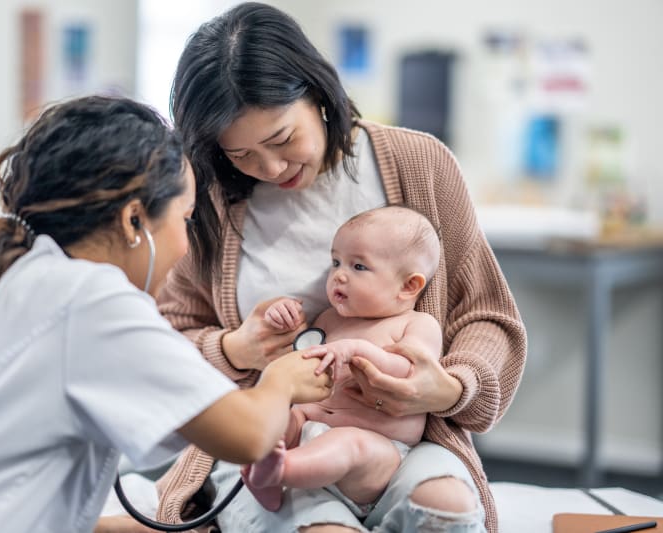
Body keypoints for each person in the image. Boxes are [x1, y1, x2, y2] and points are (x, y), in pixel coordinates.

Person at [126, 3, 528, 533]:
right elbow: (164, 338)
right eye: (240, 154)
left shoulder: (421, 165)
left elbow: (486, 314)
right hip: (273, 436)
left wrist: (449, 388)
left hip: (404, 443)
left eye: (281, 140)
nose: (269, 169)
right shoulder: (211, 199)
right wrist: (231, 350)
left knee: (445, 512)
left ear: (318, 95)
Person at [0, 95, 334, 533]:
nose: (186, 244)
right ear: (134, 221)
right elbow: (249, 435)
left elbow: (4, 474)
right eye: (186, 219)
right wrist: (283, 380)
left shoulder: (12, 279)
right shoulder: (90, 301)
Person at [243, 205, 443, 516]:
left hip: (374, 452)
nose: (339, 275)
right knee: (279, 415)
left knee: (348, 444)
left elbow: (411, 372)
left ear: (408, 286)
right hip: (306, 427)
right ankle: (266, 469)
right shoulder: (328, 318)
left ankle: (280, 471)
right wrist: (282, 318)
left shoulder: (417, 325)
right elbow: (301, 357)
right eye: (336, 262)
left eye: (358, 267)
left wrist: (356, 350)